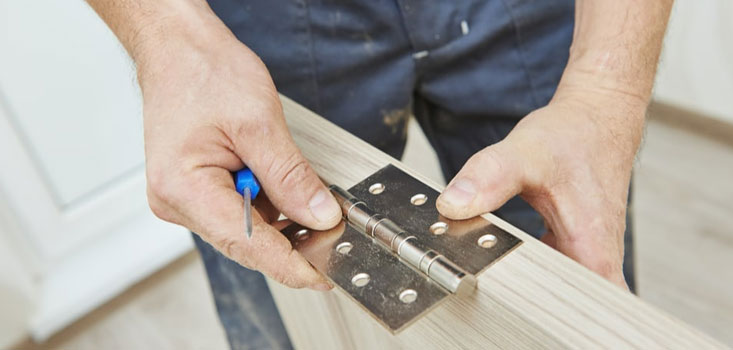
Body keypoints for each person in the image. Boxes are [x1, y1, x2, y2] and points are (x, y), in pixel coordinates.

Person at [86, 0, 672, 348]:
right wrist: (171, 35)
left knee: (563, 296)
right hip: (257, 19)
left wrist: (604, 91)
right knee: (287, 290)